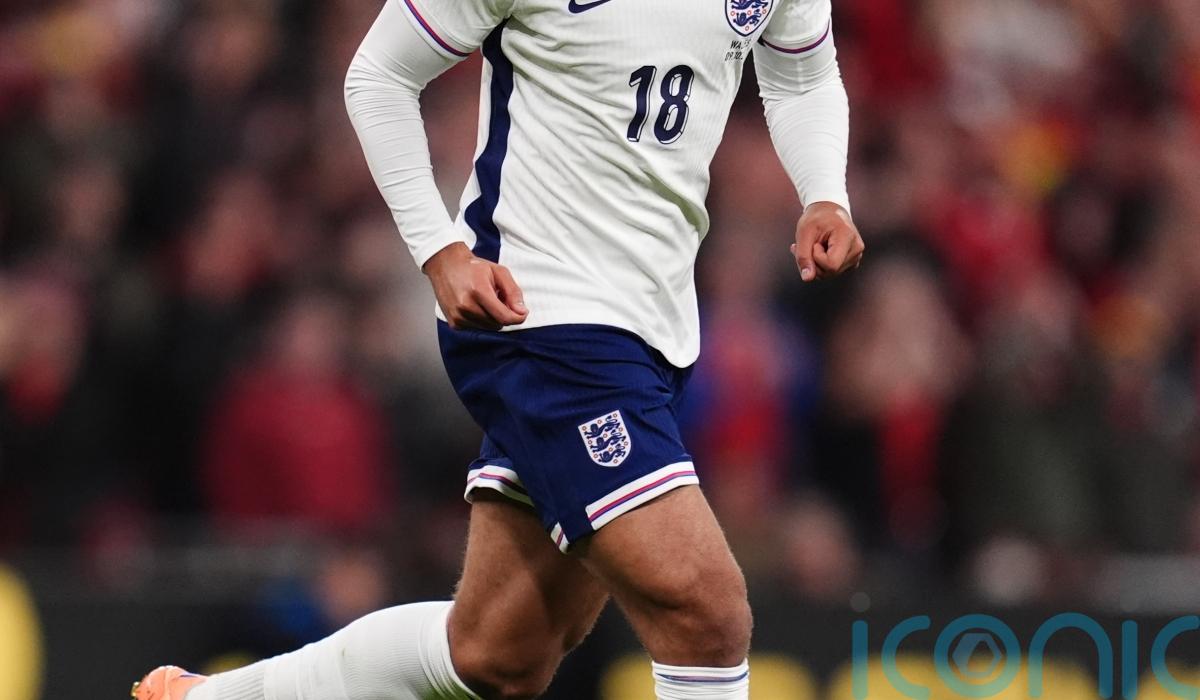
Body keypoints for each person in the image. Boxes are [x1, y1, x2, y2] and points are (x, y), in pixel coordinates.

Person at [133, 0, 863, 697]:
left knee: (497, 656)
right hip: (542, 317)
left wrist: (824, 192)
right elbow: (380, 75)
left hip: (653, 328)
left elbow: (802, 75)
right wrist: (439, 250)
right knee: (708, 611)